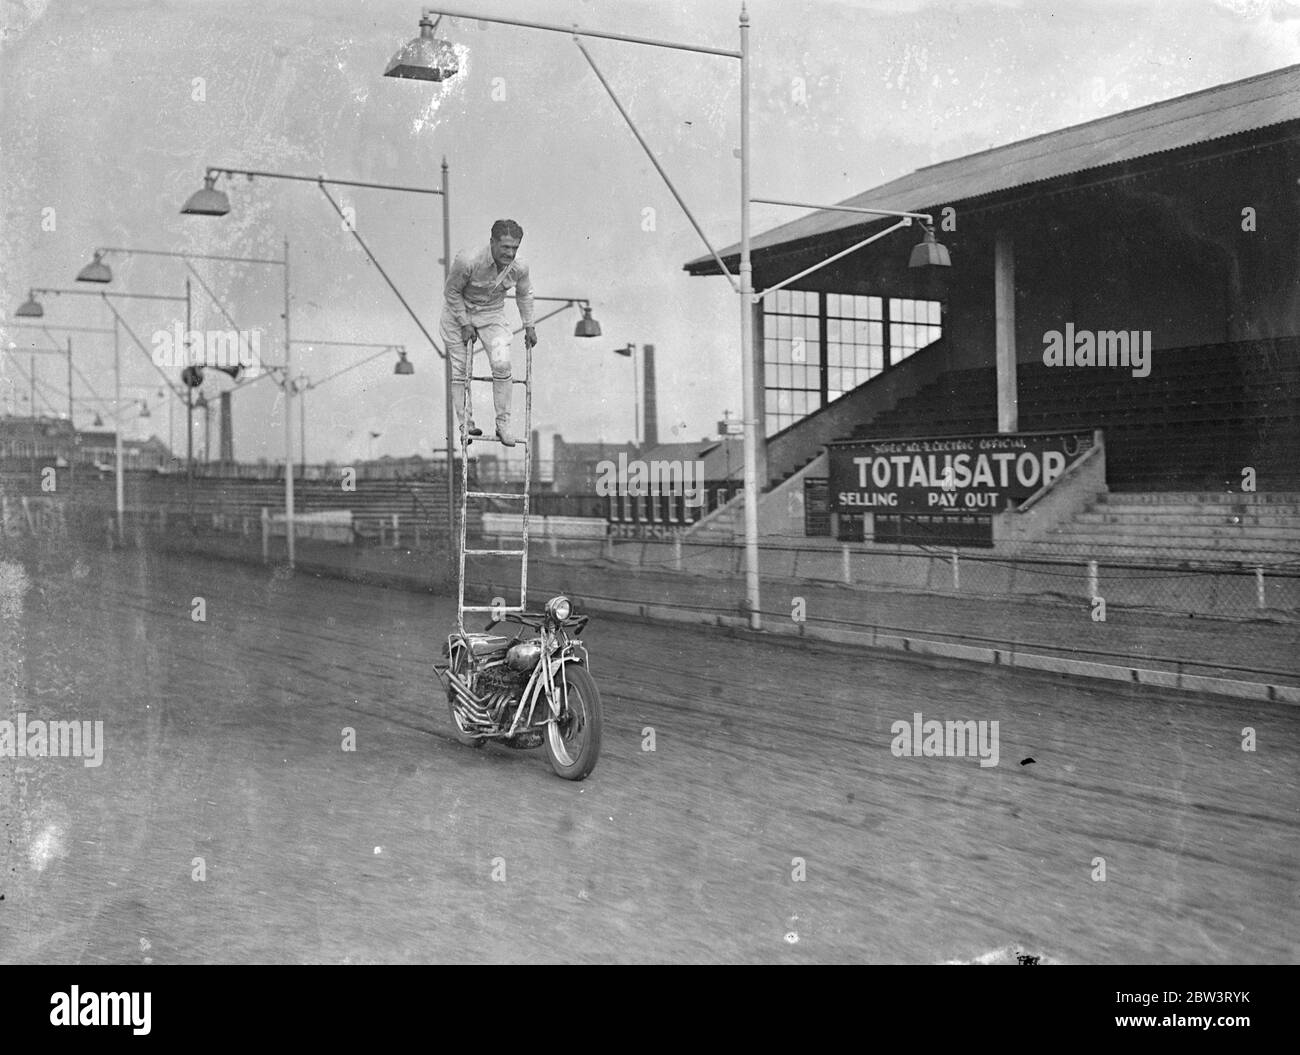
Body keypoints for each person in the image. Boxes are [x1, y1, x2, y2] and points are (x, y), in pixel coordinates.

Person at [440, 219, 538, 447]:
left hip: (491, 314)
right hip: (458, 313)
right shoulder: (468, 260)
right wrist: (464, 323)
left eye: (514, 247)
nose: (510, 252)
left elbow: (525, 294)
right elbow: (451, 291)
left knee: (502, 364)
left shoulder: (519, 267)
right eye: (505, 247)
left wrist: (529, 325)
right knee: (460, 368)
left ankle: (503, 425)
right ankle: (467, 423)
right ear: (492, 242)